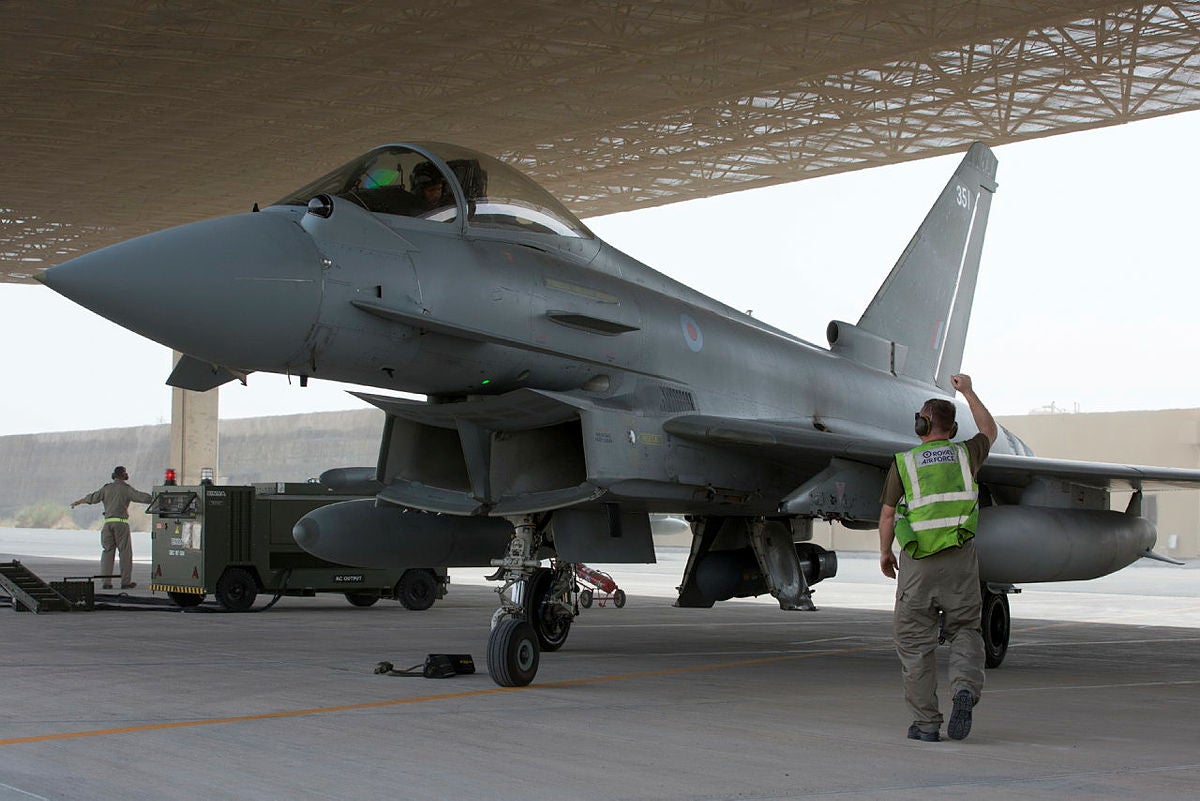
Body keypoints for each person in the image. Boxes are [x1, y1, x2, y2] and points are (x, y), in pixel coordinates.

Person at [878, 374, 997, 742]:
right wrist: (969, 391)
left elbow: (886, 515)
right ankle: (964, 688)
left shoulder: (904, 463)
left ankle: (927, 724)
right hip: (960, 561)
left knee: (915, 644)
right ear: (952, 427)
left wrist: (885, 552)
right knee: (965, 630)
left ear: (921, 424)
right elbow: (989, 430)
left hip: (917, 565)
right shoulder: (967, 454)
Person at [71, 466, 153, 590]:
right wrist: (157, 498)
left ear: (113, 475)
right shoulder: (126, 489)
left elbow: (92, 498)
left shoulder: (106, 488)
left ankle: (106, 582)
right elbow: (142, 497)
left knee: (107, 553)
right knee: (125, 553)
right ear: (124, 475)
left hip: (107, 524)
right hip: (121, 524)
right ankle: (125, 582)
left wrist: (78, 502)